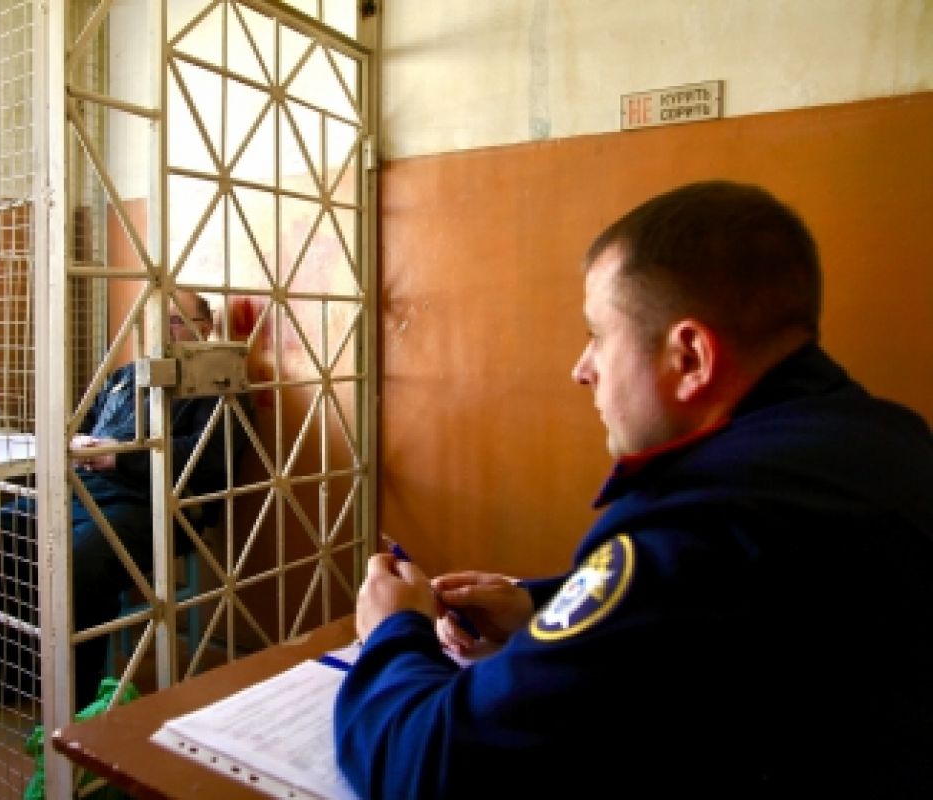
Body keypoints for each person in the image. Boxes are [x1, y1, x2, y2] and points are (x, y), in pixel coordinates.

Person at [334, 181, 933, 797]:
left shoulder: (704, 520)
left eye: (597, 334)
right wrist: (539, 607)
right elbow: (701, 622)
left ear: (690, 358)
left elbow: (429, 768)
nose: (582, 369)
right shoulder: (884, 438)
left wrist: (391, 632)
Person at [0, 290, 250, 718]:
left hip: (153, 506)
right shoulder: (124, 376)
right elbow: (79, 427)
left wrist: (121, 457)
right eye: (154, 320)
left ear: (206, 327)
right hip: (85, 494)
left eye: (176, 320)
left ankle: (78, 699)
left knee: (81, 561)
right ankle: (3, 675)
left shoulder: (220, 383)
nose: (162, 331)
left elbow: (212, 461)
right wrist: (76, 443)